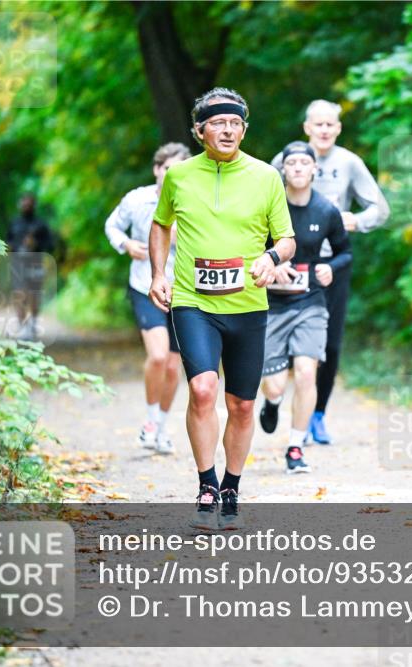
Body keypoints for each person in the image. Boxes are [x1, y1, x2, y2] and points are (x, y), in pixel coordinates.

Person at [149, 88, 295, 531]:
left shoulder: (266, 176)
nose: (228, 130)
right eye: (218, 123)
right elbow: (161, 224)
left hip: (248, 305)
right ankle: (206, 484)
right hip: (194, 301)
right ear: (199, 131)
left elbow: (287, 240)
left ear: (244, 130)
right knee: (204, 390)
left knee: (243, 405)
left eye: (235, 124)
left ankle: (232, 485)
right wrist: (159, 273)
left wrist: (271, 259)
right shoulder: (179, 177)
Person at [270, 99, 389, 445]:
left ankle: (317, 415)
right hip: (287, 263)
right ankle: (279, 397)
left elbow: (380, 209)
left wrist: (357, 220)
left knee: (330, 344)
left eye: (330, 125)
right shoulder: (286, 159)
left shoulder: (349, 162)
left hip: (329, 263)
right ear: (306, 127)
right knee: (285, 336)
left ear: (338, 129)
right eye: (317, 124)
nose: (323, 130)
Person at [259, 141, 352, 474]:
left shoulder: (327, 211)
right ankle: (271, 405)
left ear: (315, 170)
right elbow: (248, 245)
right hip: (270, 304)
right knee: (274, 386)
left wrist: (332, 267)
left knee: (306, 372)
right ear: (283, 169)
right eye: (292, 163)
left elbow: (345, 251)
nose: (298, 168)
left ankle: (296, 447)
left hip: (310, 302)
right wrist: (270, 264)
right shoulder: (268, 206)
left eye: (304, 163)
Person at [105, 142, 192, 454]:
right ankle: (151, 421)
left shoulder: (192, 201)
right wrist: (127, 245)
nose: (171, 175)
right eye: (167, 168)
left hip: (183, 289)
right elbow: (112, 225)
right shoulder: (137, 199)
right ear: (157, 169)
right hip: (145, 286)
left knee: (173, 366)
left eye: (178, 170)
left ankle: (164, 426)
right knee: (157, 356)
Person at [6, 193, 56, 340]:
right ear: (20, 205)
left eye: (29, 203)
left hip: (35, 263)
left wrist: (36, 244)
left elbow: (51, 245)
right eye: (24, 203)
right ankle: (22, 326)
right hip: (17, 263)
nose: (26, 206)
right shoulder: (14, 223)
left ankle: (32, 324)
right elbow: (7, 242)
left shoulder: (41, 224)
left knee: (34, 295)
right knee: (19, 294)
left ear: (34, 205)